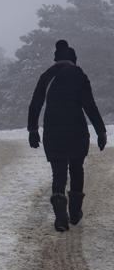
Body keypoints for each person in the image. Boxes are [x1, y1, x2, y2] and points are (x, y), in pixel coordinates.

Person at [27, 39, 106, 232]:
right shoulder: (79, 74)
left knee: (59, 172)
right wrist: (100, 130)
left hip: (53, 131)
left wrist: (33, 130)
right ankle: (75, 211)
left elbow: (35, 103)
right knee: (77, 168)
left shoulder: (46, 75)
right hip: (76, 130)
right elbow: (89, 105)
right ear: (73, 60)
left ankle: (61, 216)